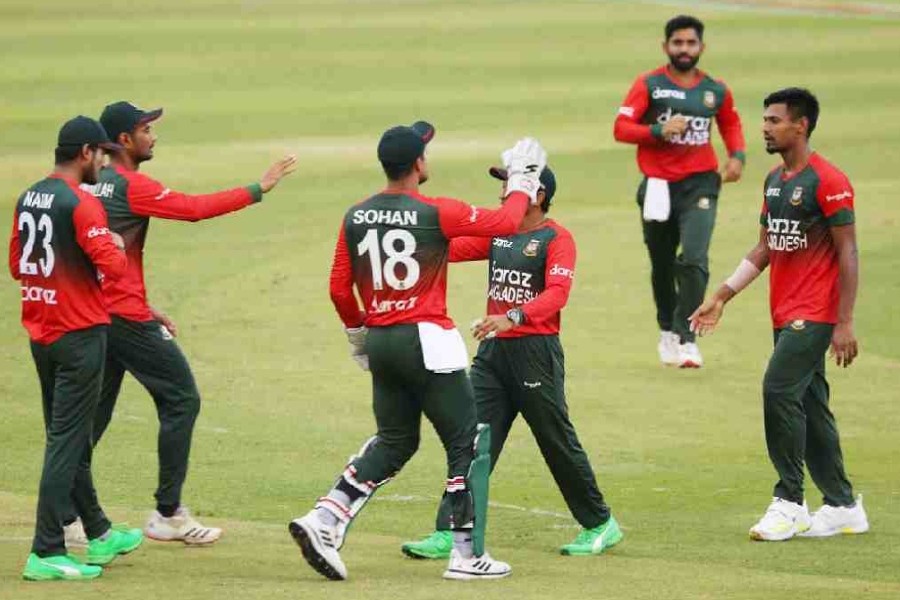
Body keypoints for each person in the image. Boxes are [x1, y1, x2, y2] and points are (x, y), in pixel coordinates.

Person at [288, 122, 548, 581]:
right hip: (427, 340)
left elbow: (339, 288)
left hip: (381, 341)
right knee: (467, 441)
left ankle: (324, 518)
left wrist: (358, 336)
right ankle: (466, 555)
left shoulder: (356, 215)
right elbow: (506, 223)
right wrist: (524, 179)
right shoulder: (436, 211)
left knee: (395, 441)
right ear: (418, 164)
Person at [68, 101, 297, 546]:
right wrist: (259, 188)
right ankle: (168, 512)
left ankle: (65, 512)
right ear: (124, 140)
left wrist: (141, 302)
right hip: (123, 316)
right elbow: (193, 208)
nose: (153, 136)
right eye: (145, 129)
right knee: (181, 398)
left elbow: (93, 254)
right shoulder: (131, 185)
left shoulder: (90, 185)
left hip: (95, 312)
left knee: (93, 418)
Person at [400, 165, 622, 560]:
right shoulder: (500, 234)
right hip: (493, 355)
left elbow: (557, 293)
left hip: (535, 353)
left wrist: (513, 316)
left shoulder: (557, 239)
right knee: (470, 437)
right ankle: (450, 530)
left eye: (512, 184)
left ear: (539, 195)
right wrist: (408, 240)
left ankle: (600, 523)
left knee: (555, 439)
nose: (504, 191)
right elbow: (448, 250)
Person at [690, 88, 869, 541]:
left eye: (774, 120)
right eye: (765, 120)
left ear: (800, 125)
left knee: (778, 390)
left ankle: (789, 502)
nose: (765, 128)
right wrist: (722, 295)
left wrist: (845, 321)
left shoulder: (828, 180)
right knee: (811, 405)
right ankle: (843, 505)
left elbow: (848, 252)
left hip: (816, 313)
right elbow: (767, 246)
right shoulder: (775, 180)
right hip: (784, 311)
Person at [10, 116, 144, 581]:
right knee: (66, 444)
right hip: (79, 335)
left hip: (42, 334)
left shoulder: (29, 196)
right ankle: (47, 550)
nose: (105, 163)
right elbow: (115, 267)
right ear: (86, 152)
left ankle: (100, 532)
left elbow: (17, 265)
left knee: (70, 437)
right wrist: (113, 242)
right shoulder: (82, 203)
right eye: (102, 154)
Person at [614, 14, 746, 368]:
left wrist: (737, 156)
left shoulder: (715, 90)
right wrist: (658, 131)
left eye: (691, 43)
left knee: (694, 258)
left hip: (701, 183)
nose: (684, 49)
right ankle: (667, 331)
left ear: (702, 46)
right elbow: (621, 128)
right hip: (658, 186)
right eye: (678, 43)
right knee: (662, 264)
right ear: (666, 46)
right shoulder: (650, 84)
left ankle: (687, 337)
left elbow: (730, 122)